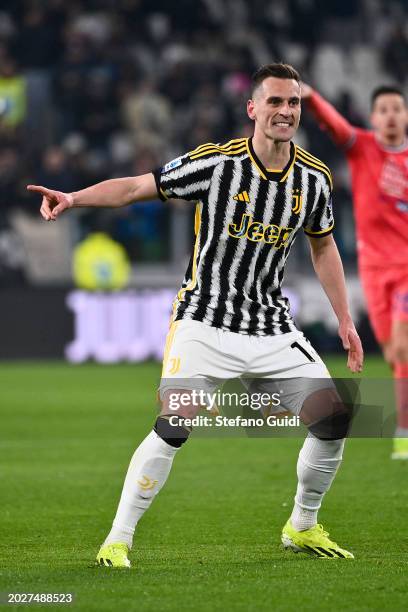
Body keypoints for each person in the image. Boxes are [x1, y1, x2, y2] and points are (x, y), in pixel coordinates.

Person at [28, 63, 363, 567]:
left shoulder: (314, 179)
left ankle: (302, 525)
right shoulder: (216, 164)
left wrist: (345, 320)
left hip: (270, 325)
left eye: (293, 103)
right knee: (176, 421)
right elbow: (137, 187)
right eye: (274, 102)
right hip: (204, 321)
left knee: (334, 419)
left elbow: (323, 247)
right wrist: (74, 198)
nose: (285, 112)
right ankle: (118, 539)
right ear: (252, 108)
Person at [301, 82, 408, 459]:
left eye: (398, 108)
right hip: (374, 270)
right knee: (393, 353)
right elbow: (335, 127)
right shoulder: (363, 147)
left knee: (401, 346)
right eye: (384, 110)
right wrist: (311, 97)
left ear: (406, 115)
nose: (391, 115)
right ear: (374, 117)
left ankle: (403, 433)